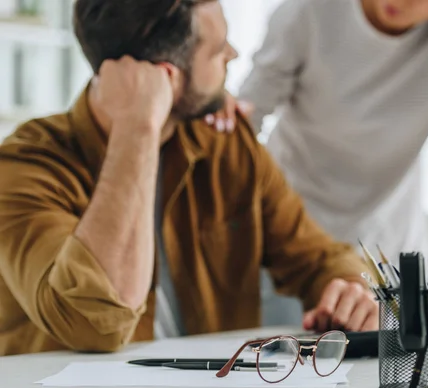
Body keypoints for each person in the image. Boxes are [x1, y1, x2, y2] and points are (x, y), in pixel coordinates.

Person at [0, 0, 379, 356]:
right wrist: (137, 128)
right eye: (217, 50)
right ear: (166, 75)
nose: (233, 54)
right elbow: (94, 324)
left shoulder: (225, 147)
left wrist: (348, 291)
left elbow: (317, 258)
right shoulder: (27, 165)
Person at [209, 0, 428, 314]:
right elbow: (251, 109)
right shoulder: (309, 11)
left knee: (387, 357)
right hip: (299, 243)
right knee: (298, 355)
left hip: (389, 245)